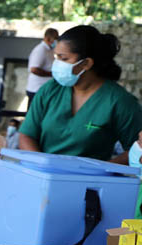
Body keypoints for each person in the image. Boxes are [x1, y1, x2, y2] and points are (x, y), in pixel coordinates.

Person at [19, 25, 142, 163]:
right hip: (41, 172)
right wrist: (42, 165)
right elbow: (26, 135)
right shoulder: (50, 90)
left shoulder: (120, 102)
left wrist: (102, 169)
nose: (56, 64)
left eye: (63, 58)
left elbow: (137, 149)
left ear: (86, 63)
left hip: (91, 177)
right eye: (56, 57)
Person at [26, 27, 59, 104]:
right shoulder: (40, 50)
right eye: (55, 38)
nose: (57, 41)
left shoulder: (49, 50)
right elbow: (34, 69)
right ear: (48, 38)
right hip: (36, 90)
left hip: (43, 89)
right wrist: (51, 74)